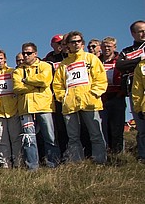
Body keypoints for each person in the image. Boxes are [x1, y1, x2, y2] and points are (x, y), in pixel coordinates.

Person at [52, 30, 108, 164]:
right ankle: (77, 162)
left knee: (95, 134)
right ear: (68, 45)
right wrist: (63, 98)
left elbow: (100, 79)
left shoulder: (91, 58)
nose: (76, 44)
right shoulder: (64, 65)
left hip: (90, 102)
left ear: (82, 43)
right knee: (73, 137)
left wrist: (94, 93)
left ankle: (100, 161)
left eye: (78, 41)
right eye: (73, 42)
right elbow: (58, 84)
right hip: (70, 105)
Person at [0, 49, 38, 170]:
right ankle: (5, 164)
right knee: (0, 139)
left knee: (16, 138)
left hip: (13, 110)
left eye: (1, 58)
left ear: (5, 59)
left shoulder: (13, 72)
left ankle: (18, 162)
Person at [12, 42, 61, 168]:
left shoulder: (45, 66)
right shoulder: (18, 70)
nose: (26, 55)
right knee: (28, 138)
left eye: (29, 53)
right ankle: (32, 165)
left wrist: (26, 80)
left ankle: (53, 163)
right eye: (24, 53)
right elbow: (17, 87)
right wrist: (35, 83)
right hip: (26, 108)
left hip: (44, 106)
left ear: (35, 53)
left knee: (50, 136)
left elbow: (44, 81)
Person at [116, 20, 145, 161]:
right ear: (133, 34)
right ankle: (142, 156)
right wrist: (140, 59)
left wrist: (131, 65)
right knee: (141, 126)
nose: (144, 33)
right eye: (140, 31)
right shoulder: (126, 51)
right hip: (135, 92)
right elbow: (120, 65)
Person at [100, 37, 126, 154]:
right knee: (103, 127)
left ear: (114, 47)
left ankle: (118, 154)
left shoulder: (120, 60)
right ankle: (105, 152)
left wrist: (122, 92)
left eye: (109, 46)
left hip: (117, 96)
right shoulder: (97, 61)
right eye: (104, 46)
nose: (106, 48)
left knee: (117, 127)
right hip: (102, 97)